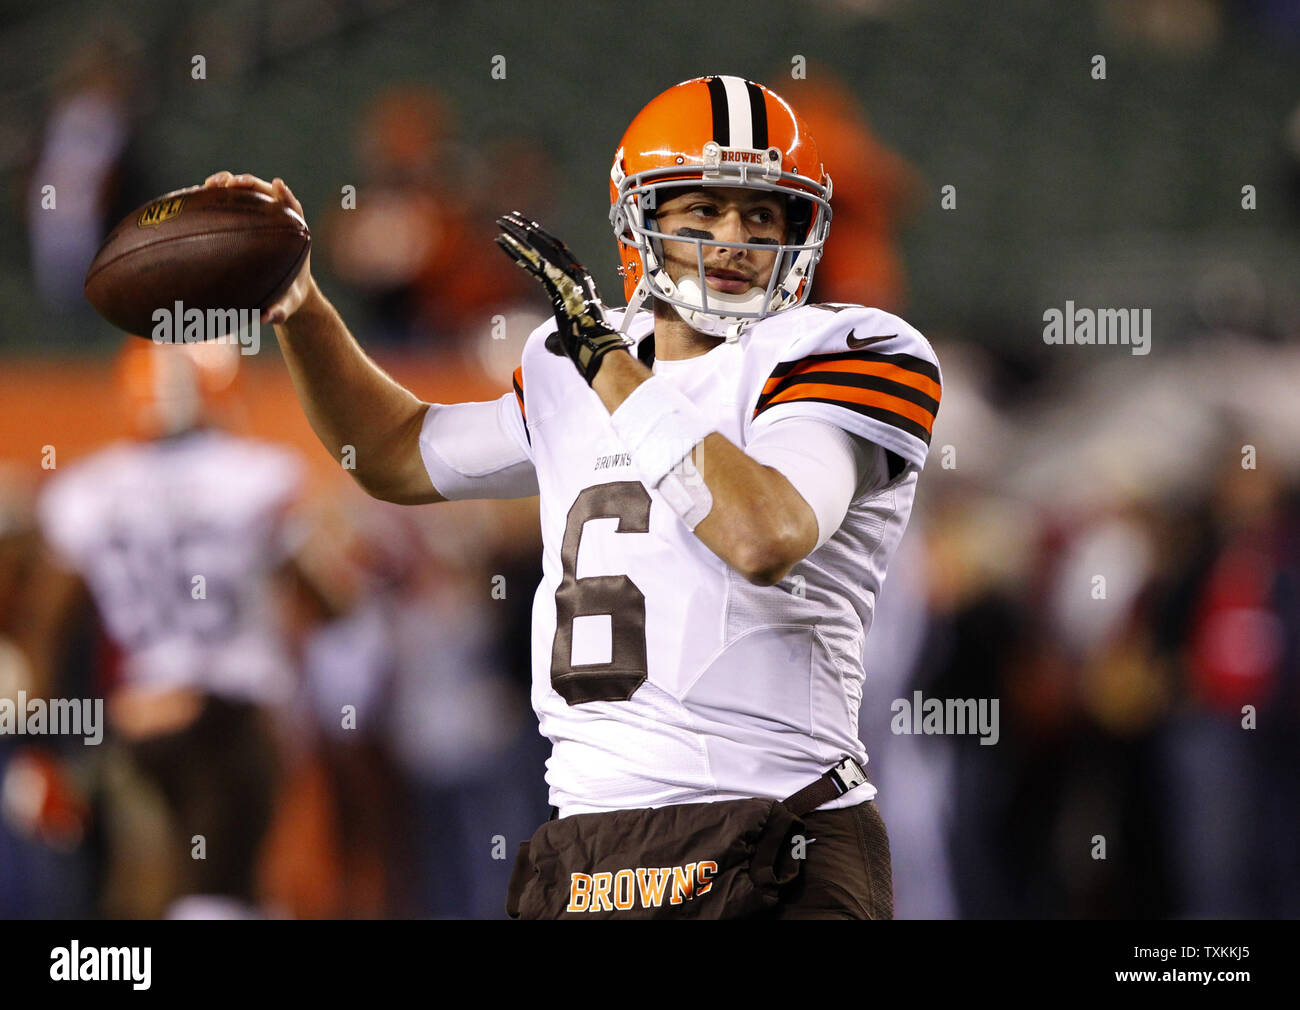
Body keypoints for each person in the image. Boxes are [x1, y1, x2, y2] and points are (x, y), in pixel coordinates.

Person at [205, 74, 942, 919]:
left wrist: (607, 363)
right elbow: (392, 452)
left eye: (761, 215)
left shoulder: (851, 346)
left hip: (776, 830)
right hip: (591, 843)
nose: (734, 238)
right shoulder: (577, 360)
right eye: (701, 210)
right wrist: (300, 306)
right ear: (641, 221)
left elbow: (765, 532)